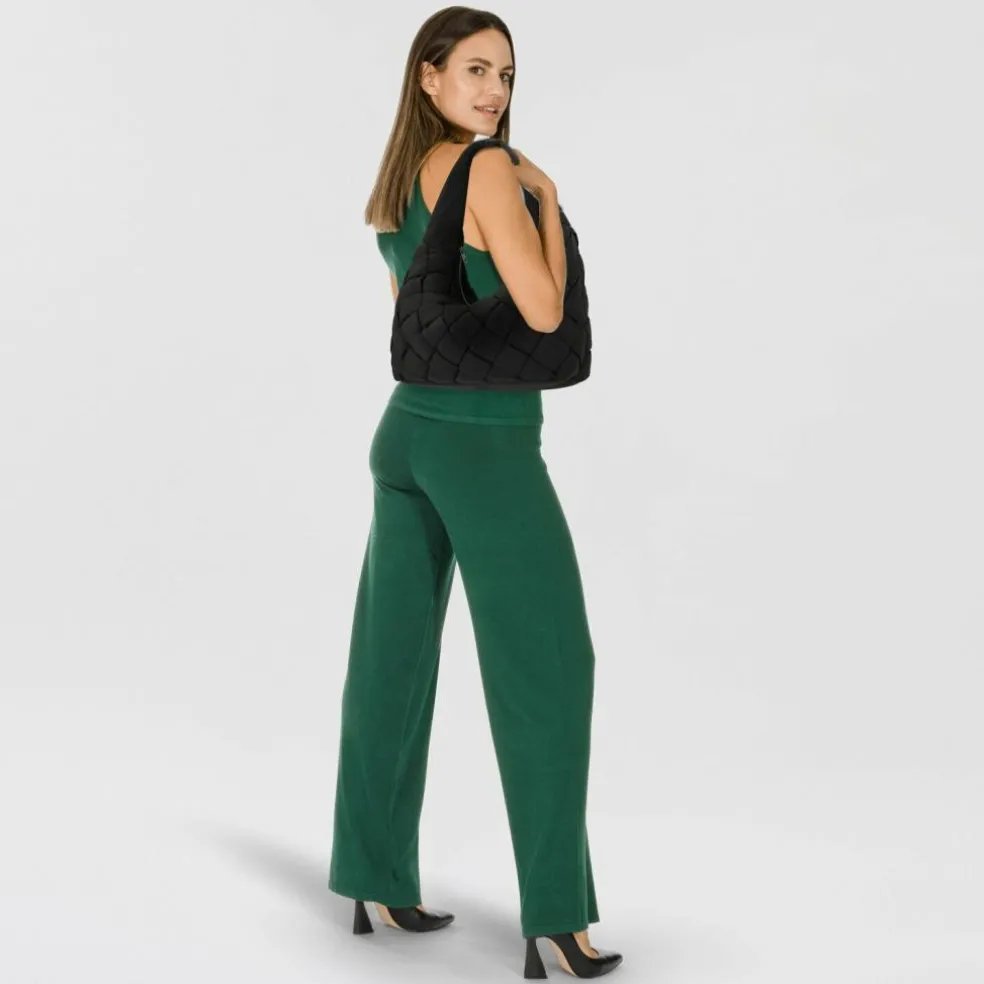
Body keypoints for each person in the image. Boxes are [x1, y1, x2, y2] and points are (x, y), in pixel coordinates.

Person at [327, 7, 623, 979]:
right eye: (475, 70)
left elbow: (415, 316)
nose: (494, 91)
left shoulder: (398, 181)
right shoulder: (488, 170)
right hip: (485, 448)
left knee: (392, 663)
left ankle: (374, 875)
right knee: (549, 668)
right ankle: (558, 920)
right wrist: (550, 203)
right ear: (429, 75)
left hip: (405, 436)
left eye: (506, 74)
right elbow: (542, 309)